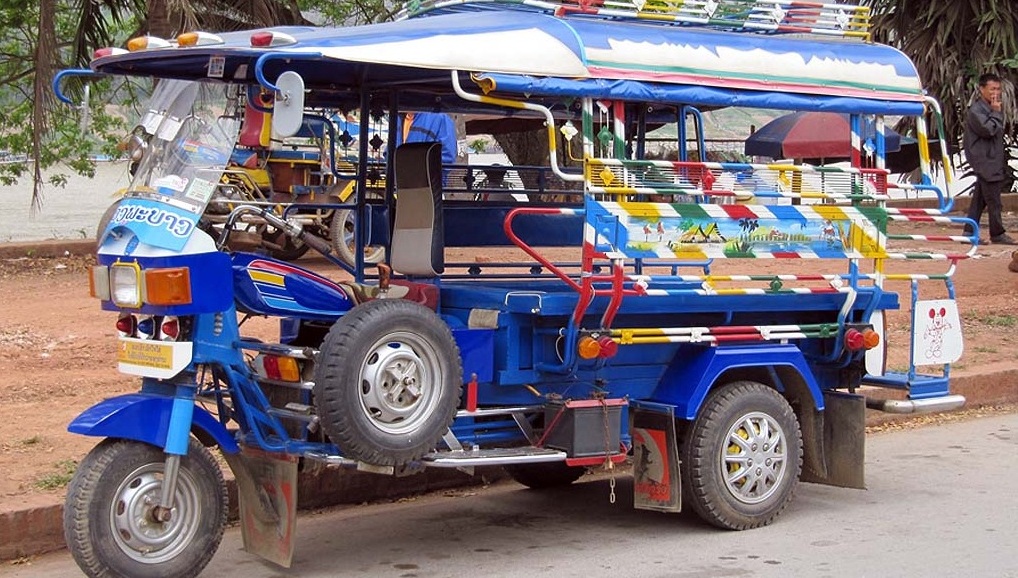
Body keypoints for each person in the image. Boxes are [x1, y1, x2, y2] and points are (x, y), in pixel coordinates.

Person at [963, 72, 1015, 245]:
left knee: (980, 198)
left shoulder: (988, 109)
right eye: (992, 88)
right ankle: (997, 233)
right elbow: (989, 130)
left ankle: (968, 231)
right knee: (994, 200)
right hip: (984, 161)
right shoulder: (976, 111)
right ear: (981, 89)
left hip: (991, 159)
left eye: (998, 89)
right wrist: (996, 113)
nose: (996, 92)